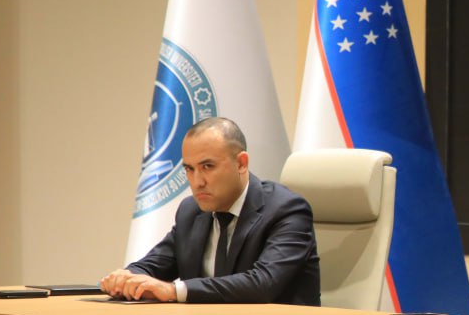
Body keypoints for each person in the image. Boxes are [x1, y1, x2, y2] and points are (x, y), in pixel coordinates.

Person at [101, 117, 321, 305]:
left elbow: (263, 283)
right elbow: (155, 264)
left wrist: (173, 291)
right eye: (189, 169)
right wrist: (128, 277)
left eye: (208, 166)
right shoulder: (191, 211)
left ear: (241, 163)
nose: (197, 182)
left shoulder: (286, 210)